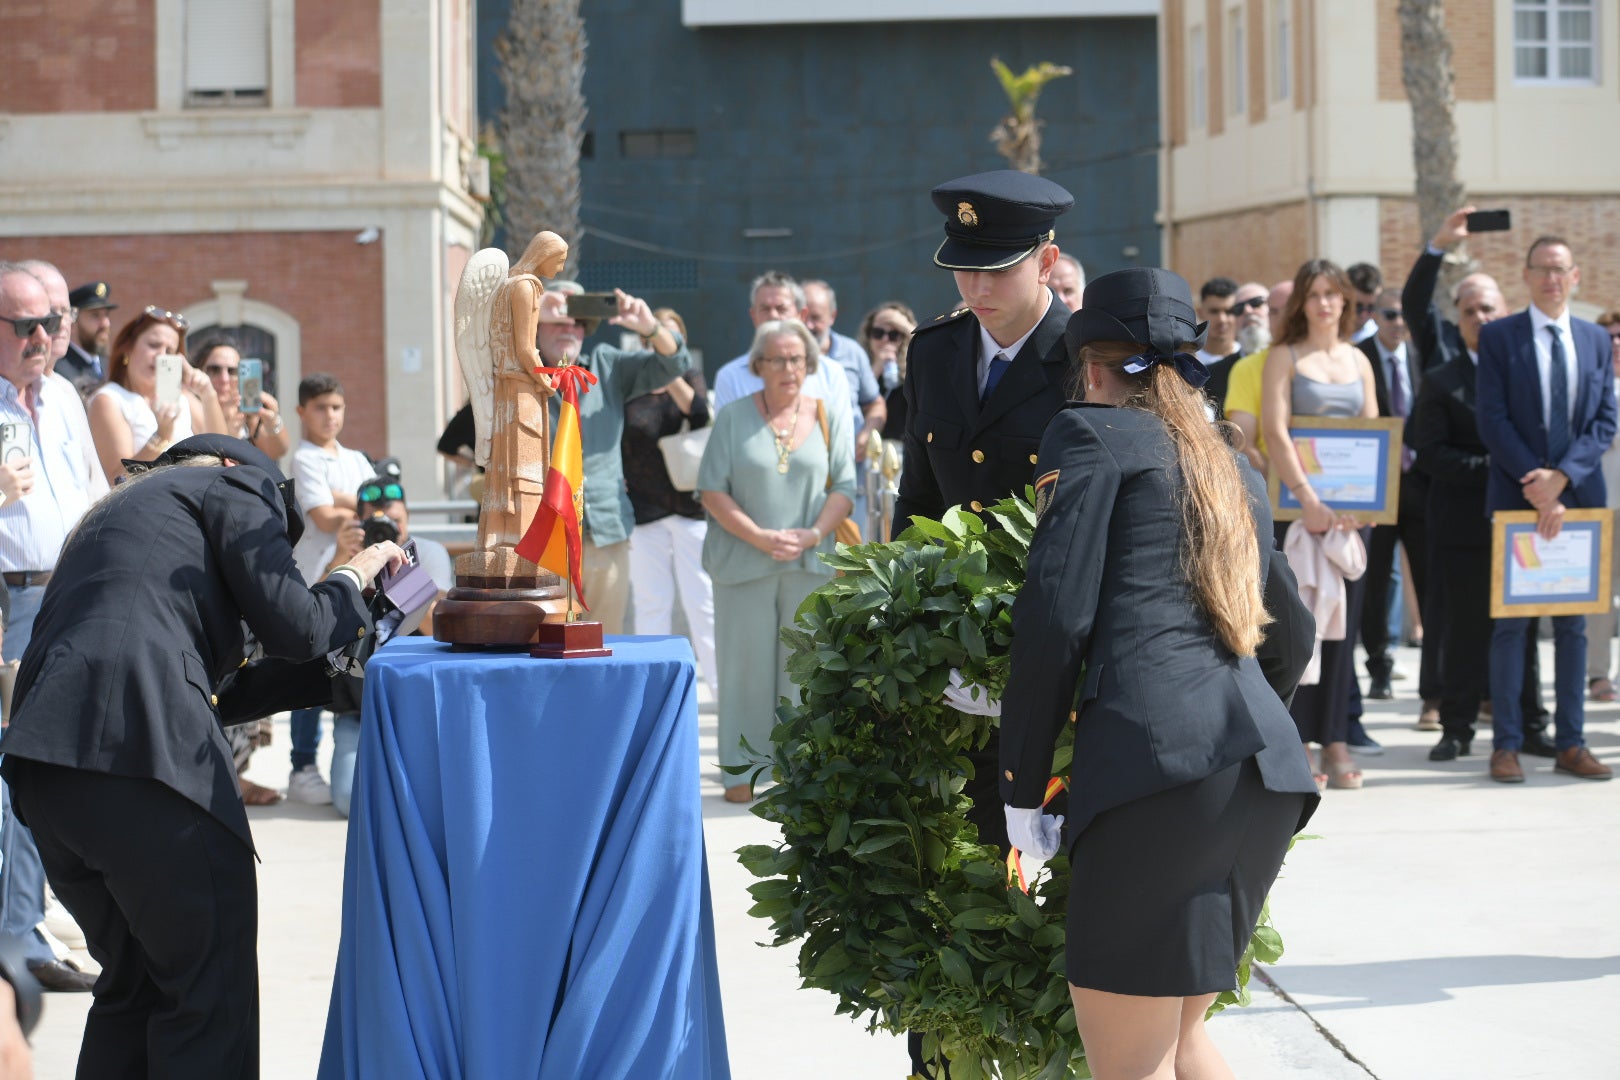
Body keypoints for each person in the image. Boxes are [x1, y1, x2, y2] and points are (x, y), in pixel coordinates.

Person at [0, 433, 404, 1078]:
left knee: (133, 987)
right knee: (208, 994)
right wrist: (350, 582)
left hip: (50, 770)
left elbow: (225, 683)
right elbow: (297, 623)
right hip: (144, 763)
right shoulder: (234, 485)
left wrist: (352, 645)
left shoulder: (119, 522)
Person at [999, 268, 1317, 1080]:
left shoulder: (1089, 433)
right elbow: (1293, 632)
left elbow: (1055, 616)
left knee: (1127, 1067)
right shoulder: (1231, 469)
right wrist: (1230, 722)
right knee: (1181, 1042)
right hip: (1263, 775)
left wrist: (1019, 788)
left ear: (1092, 370)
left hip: (1159, 778)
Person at [0, 263, 110, 995]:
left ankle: (29, 924)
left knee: (55, 770)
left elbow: (93, 493)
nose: (43, 338)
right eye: (25, 326)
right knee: (13, 772)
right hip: (8, 604)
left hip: (71, 596)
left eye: (50, 323)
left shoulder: (66, 395)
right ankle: (16, 937)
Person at [1476, 236, 1617, 783]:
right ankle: (1506, 745)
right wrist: (1536, 483)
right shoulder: (1499, 337)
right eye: (1542, 270)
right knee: (1512, 629)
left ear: (1575, 276)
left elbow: (1604, 420)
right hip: (1518, 501)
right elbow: (1492, 418)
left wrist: (1561, 479)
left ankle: (1572, 743)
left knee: (1574, 629)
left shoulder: (1595, 340)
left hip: (1578, 503)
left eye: (1560, 270)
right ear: (1526, 275)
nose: (1551, 279)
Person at [697, 320, 855, 803]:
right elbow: (711, 490)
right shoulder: (732, 416)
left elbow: (844, 487)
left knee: (801, 673)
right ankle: (741, 773)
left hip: (811, 564)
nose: (788, 368)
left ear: (809, 364)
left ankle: (797, 771)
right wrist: (761, 537)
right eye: (777, 359)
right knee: (744, 671)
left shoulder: (829, 415)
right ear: (757, 365)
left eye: (797, 359)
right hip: (743, 564)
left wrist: (810, 534)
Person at [1262, 258, 1379, 791]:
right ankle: (1301, 738)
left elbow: (1375, 433)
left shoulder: (1359, 359)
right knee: (1302, 626)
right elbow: (1275, 431)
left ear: (1346, 302)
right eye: (1315, 294)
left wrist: (1369, 501)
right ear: (1302, 303)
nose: (1325, 303)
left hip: (1352, 515)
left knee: (1344, 627)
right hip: (1299, 511)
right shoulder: (1282, 356)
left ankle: (1336, 737)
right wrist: (1307, 498)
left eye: (1334, 294)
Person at [536, 283, 689, 634]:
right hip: (542, 536)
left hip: (604, 531)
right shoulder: (518, 374)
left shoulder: (606, 366)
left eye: (577, 321)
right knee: (543, 644)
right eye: (556, 319)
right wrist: (530, 310)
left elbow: (675, 362)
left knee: (603, 640)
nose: (568, 328)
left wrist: (649, 326)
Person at [326, 475, 455, 817]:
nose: (384, 533)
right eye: (375, 524)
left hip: (415, 703)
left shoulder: (427, 552)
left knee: (430, 796)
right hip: (357, 706)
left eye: (393, 523)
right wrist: (345, 561)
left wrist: (402, 575)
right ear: (358, 524)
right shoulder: (346, 554)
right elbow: (311, 626)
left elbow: (437, 628)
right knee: (346, 798)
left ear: (407, 520)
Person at [286, 373, 375, 804]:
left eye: (336, 407)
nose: (329, 416)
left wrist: (343, 500)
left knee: (342, 669)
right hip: (313, 580)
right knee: (307, 670)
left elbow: (382, 506)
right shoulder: (302, 459)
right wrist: (352, 503)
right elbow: (322, 517)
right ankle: (303, 765)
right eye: (320, 407)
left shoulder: (356, 458)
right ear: (302, 412)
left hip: (356, 579)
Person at [622, 307, 718, 696]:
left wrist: (672, 371)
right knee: (650, 604)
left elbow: (699, 415)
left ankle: (721, 690)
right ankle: (653, 691)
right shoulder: (631, 384)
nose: (661, 344)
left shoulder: (687, 378)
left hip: (688, 509)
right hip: (643, 511)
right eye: (655, 338)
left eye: (671, 338)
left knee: (703, 604)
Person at [1356, 287, 1434, 718]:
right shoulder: (1360, 356)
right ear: (1375, 316)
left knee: (1427, 578)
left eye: (1404, 315)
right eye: (1390, 314)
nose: (1398, 323)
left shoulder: (1423, 354)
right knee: (1377, 581)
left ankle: (1432, 687)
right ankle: (1379, 667)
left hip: (1421, 484)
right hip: (1375, 485)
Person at [87, 306, 228, 483]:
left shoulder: (183, 398)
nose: (161, 355)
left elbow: (222, 451)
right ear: (127, 348)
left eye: (170, 351)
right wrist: (160, 437)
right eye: (154, 345)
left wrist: (208, 395)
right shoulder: (109, 399)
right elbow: (117, 479)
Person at [1223, 279, 1293, 476]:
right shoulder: (1242, 369)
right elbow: (1244, 446)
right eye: (1238, 309)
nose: (1247, 311)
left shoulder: (1349, 359)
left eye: (1256, 303)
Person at [1586, 310, 1620, 702]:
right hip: (1599, 503)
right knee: (1600, 597)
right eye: (1609, 336)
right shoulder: (1591, 384)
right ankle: (1598, 673)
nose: (1615, 342)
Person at [190, 335, 291, 461]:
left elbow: (278, 451)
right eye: (214, 370)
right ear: (199, 371)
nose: (224, 379)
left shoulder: (247, 414)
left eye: (233, 371)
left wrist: (273, 423)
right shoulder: (190, 408)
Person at [1193, 275, 1243, 414]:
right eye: (1214, 311)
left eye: (1229, 311)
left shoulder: (1247, 360)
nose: (1222, 319)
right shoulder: (1189, 363)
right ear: (1200, 312)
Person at [57, 281, 116, 396]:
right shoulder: (59, 368)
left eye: (106, 315)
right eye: (95, 315)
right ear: (73, 322)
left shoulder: (109, 364)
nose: (105, 323)